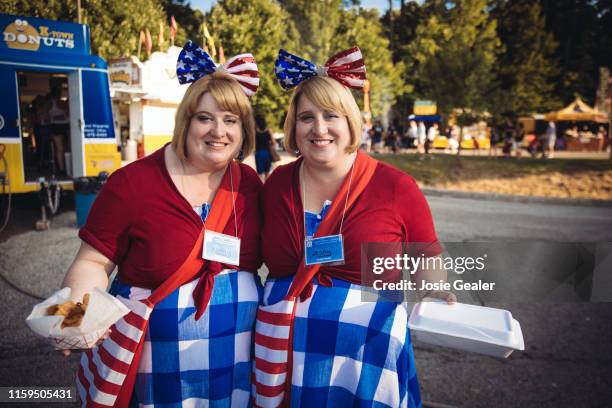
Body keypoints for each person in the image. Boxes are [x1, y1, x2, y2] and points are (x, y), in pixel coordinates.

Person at [253, 48, 455, 408]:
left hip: (365, 362)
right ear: (293, 125)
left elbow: (426, 258)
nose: (319, 128)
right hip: (281, 361)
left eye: (331, 115)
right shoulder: (277, 185)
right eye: (306, 117)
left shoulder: (395, 186)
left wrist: (435, 291)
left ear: (350, 122)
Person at [66, 42, 263, 406]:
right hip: (154, 375)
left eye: (230, 120)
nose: (218, 131)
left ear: (243, 129)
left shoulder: (248, 185)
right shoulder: (132, 183)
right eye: (205, 118)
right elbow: (92, 262)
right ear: (185, 121)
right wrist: (75, 313)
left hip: (232, 372)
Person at [48, 86, 69, 175]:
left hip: (55, 126)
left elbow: (46, 116)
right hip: (64, 126)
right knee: (64, 148)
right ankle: (64, 168)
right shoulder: (61, 103)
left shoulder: (48, 104)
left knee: (59, 148)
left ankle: (61, 168)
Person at [255, 113, 278, 181]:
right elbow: (274, 142)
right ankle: (266, 189)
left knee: (260, 174)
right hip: (267, 154)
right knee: (267, 174)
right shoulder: (268, 130)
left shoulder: (255, 131)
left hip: (258, 154)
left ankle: (260, 189)